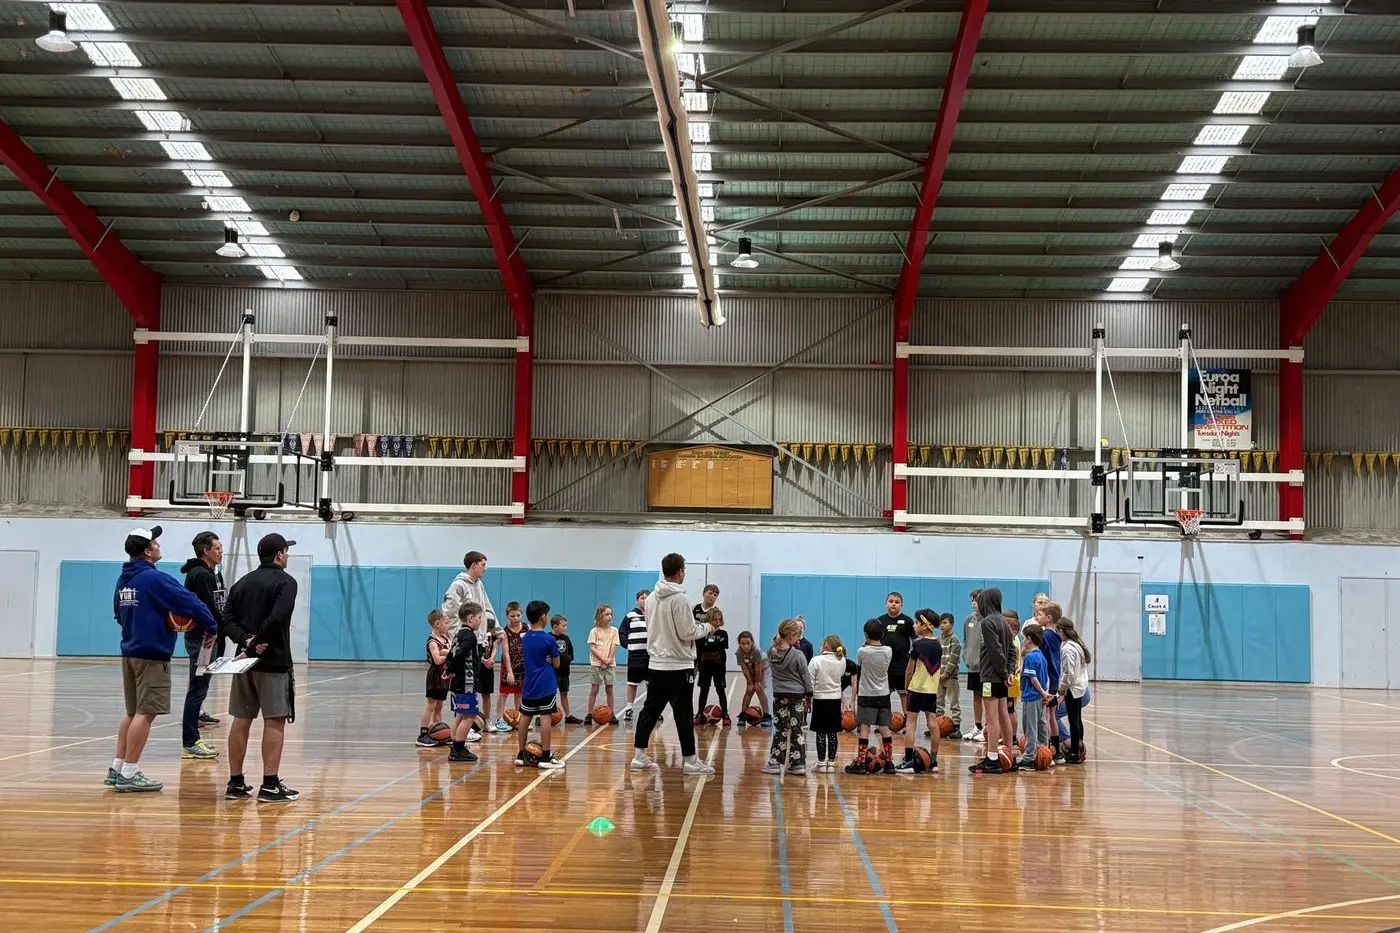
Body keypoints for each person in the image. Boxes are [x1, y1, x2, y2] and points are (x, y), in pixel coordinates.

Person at [109, 526, 218, 792]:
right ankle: (130, 773)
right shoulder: (155, 579)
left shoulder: (123, 579)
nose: (159, 545)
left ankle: (117, 767)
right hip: (152, 654)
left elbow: (117, 614)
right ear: (148, 551)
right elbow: (191, 602)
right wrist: (211, 626)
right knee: (146, 713)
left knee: (133, 712)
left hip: (130, 651)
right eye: (155, 542)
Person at [222, 533, 300, 803]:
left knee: (241, 720)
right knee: (274, 720)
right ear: (279, 555)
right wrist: (258, 641)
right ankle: (269, 784)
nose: (287, 555)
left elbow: (226, 619)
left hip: (243, 662)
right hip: (273, 661)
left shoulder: (242, 583)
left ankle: (235, 782)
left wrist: (245, 640)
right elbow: (278, 617)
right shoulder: (286, 582)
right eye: (286, 551)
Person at [631, 553, 719, 774]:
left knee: (649, 711)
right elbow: (687, 632)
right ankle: (690, 760)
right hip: (679, 666)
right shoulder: (680, 600)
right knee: (683, 713)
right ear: (680, 571)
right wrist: (708, 627)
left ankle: (639, 756)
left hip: (656, 664)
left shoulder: (651, 598)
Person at [179, 531, 226, 761]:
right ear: (205, 551)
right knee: (197, 689)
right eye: (217, 548)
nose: (221, 552)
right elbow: (207, 607)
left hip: (210, 638)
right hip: (202, 639)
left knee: (201, 688)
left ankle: (196, 721)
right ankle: (190, 742)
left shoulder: (212, 573)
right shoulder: (199, 575)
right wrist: (219, 628)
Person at [443, 551, 497, 728]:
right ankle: (462, 726)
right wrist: (457, 640)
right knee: (463, 686)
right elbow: (449, 614)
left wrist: (498, 630)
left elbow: (487, 609)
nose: (485, 570)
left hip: (479, 643)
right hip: (465, 643)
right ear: (473, 565)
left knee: (475, 686)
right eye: (483, 565)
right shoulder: (458, 586)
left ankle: (471, 725)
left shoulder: (479, 585)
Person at [515, 600, 565, 770]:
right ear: (543, 617)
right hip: (546, 683)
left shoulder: (525, 637)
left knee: (525, 717)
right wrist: (551, 660)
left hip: (529, 683)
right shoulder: (548, 639)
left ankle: (521, 754)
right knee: (545, 717)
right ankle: (545, 756)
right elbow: (557, 663)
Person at [969, 587, 1012, 775]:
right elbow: (1012, 651)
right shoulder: (1004, 621)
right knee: (1004, 716)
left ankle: (993, 758)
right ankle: (1010, 755)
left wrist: (1003, 672)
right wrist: (1009, 672)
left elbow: (996, 652)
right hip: (1001, 677)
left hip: (990, 677)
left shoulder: (987, 622)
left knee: (992, 718)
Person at [845, 618, 895, 774]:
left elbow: (860, 668)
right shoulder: (888, 650)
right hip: (883, 693)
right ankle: (889, 763)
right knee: (885, 728)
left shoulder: (862, 651)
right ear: (883, 633)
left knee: (864, 729)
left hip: (867, 694)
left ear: (865, 634)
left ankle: (860, 763)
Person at [763, 619, 813, 775]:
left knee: (780, 729)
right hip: (797, 696)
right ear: (791, 636)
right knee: (797, 728)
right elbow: (805, 676)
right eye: (797, 636)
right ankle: (797, 764)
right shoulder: (797, 655)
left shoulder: (771, 651)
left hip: (779, 695)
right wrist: (809, 693)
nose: (799, 639)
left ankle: (775, 763)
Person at [896, 610, 943, 774]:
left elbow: (910, 669)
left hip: (916, 689)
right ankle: (934, 761)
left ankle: (908, 761)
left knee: (911, 723)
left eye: (916, 623)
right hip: (931, 690)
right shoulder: (938, 644)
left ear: (925, 625)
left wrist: (906, 686)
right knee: (933, 723)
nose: (914, 626)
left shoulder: (917, 644)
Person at [447, 601, 484, 763]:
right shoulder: (470, 636)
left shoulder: (457, 634)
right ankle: (458, 748)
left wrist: (449, 670)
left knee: (461, 715)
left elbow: (450, 654)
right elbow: (459, 655)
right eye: (479, 617)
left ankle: (454, 743)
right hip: (467, 683)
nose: (480, 621)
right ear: (470, 618)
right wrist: (453, 668)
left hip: (458, 682)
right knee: (470, 715)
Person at [872, 592, 915, 729]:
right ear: (886, 604)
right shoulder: (880, 621)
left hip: (903, 665)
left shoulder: (907, 621)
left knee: (904, 695)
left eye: (897, 601)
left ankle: (908, 723)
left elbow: (915, 641)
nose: (893, 604)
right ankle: (883, 724)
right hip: (885, 666)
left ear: (901, 605)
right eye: (891, 601)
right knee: (884, 696)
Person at [808, 634, 846, 772]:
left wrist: (808, 698)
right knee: (832, 732)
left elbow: (810, 682)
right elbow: (841, 676)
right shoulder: (842, 660)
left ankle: (821, 763)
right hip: (835, 699)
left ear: (825, 645)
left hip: (820, 699)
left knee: (820, 732)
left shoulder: (815, 660)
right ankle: (831, 763)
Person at [1057, 617, 1091, 765]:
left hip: (1072, 687)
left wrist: (1061, 690)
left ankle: (1074, 753)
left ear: (1061, 631)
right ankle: (1079, 747)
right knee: (1077, 719)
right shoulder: (1077, 645)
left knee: (1073, 720)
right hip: (1080, 685)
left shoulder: (1067, 649)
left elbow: (1068, 673)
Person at [1016, 624, 1050, 769]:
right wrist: (1045, 693)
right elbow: (1045, 677)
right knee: (1041, 724)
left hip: (1032, 696)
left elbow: (1033, 678)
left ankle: (1029, 758)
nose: (1023, 641)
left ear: (1029, 639)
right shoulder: (1041, 655)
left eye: (1024, 638)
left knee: (1030, 727)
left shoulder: (1030, 657)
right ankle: (1045, 751)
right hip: (1040, 696)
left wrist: (1042, 693)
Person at [417, 609, 451, 747]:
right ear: (437, 624)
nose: (448, 625)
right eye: (446, 622)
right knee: (431, 705)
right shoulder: (432, 641)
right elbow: (437, 660)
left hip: (445, 676)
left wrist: (447, 652)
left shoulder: (446, 638)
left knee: (439, 707)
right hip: (435, 676)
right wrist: (449, 654)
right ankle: (423, 734)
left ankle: (437, 732)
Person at [694, 606, 731, 726]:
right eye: (715, 620)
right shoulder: (701, 634)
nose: (718, 622)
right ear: (708, 620)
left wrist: (709, 646)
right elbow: (701, 648)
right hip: (705, 667)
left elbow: (721, 646)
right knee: (704, 690)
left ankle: (725, 714)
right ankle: (699, 714)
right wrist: (712, 645)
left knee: (721, 690)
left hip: (719, 668)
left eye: (720, 620)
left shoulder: (723, 633)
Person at [1037, 602, 1065, 760]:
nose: (1037, 617)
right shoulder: (1056, 636)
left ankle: (1046, 749)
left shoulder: (1045, 636)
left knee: (1045, 716)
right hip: (1055, 679)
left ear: (1048, 618)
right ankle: (1057, 752)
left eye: (1040, 615)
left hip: (1046, 679)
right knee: (1052, 715)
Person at [585, 604, 619, 724]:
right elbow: (593, 648)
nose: (609, 617)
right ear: (600, 616)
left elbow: (613, 645)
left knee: (609, 689)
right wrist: (603, 660)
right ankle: (589, 714)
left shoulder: (614, 631)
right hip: (596, 664)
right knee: (594, 688)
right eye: (606, 614)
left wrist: (608, 659)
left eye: (610, 614)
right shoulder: (594, 631)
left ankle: (611, 713)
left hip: (610, 664)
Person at [618, 589, 649, 721]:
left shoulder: (654, 615)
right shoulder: (630, 615)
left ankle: (652, 710)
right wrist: (628, 644)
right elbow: (622, 633)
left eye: (647, 598)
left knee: (651, 684)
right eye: (642, 598)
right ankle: (629, 708)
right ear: (637, 601)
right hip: (635, 656)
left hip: (650, 656)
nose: (644, 600)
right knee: (632, 683)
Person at [962, 589, 984, 744]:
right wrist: (966, 656)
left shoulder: (988, 620)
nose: (974, 603)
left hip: (985, 668)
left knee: (988, 698)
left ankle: (988, 728)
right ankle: (978, 726)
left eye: (977, 600)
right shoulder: (968, 620)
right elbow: (965, 640)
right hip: (972, 667)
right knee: (976, 696)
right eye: (972, 600)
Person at [497, 601, 525, 727]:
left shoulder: (527, 628)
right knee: (504, 693)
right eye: (513, 616)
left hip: (523, 666)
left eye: (518, 615)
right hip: (509, 665)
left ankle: (519, 719)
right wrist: (509, 671)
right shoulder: (504, 632)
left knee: (519, 693)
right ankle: (499, 719)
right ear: (507, 616)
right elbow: (506, 652)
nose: (516, 618)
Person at [934, 612, 962, 739]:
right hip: (938, 676)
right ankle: (938, 726)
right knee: (938, 702)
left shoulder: (955, 640)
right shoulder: (938, 640)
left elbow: (953, 659)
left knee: (954, 703)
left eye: (945, 623)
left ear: (952, 624)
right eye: (940, 623)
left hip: (951, 677)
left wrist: (946, 673)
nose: (942, 625)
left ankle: (956, 727)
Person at [735, 630, 771, 726]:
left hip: (763, 669)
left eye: (748, 643)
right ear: (739, 644)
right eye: (743, 644)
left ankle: (767, 716)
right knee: (749, 690)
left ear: (752, 643)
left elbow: (758, 668)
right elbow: (745, 669)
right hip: (751, 669)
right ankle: (742, 715)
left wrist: (757, 682)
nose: (746, 646)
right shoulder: (739, 653)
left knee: (759, 689)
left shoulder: (756, 651)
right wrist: (750, 683)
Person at [551, 614, 582, 724]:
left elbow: (570, 652)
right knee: (550, 695)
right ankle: (546, 716)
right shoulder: (549, 637)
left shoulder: (566, 638)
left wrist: (568, 659)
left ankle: (568, 716)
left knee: (564, 694)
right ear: (555, 626)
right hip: (553, 673)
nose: (565, 628)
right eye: (563, 626)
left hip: (564, 672)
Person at [1004, 608, 1022, 750]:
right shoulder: (1012, 640)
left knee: (1010, 710)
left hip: (1012, 681)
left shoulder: (1013, 642)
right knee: (1008, 709)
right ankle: (1009, 735)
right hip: (1011, 679)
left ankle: (1013, 737)